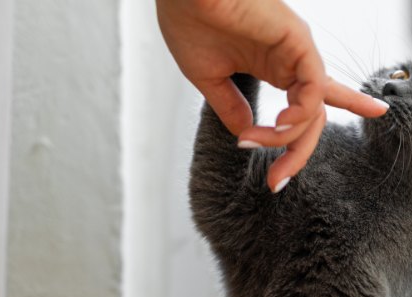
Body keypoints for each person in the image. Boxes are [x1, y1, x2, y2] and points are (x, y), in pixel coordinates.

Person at [156, 0, 389, 192]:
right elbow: (226, 203)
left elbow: (224, 210)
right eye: (400, 74)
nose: (395, 87)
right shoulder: (338, 152)